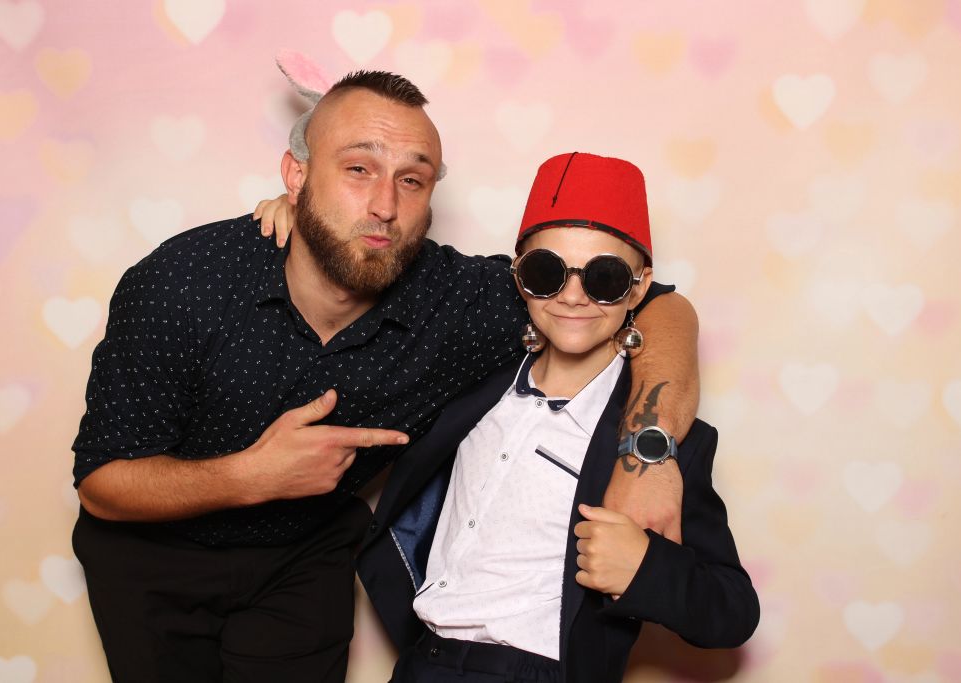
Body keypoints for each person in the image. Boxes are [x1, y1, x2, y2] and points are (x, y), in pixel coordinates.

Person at [71, 71, 698, 683]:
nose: (384, 206)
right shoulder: (184, 282)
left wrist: (650, 454)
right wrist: (251, 476)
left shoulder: (461, 300)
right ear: (296, 175)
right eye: (357, 169)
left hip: (304, 556)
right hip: (153, 556)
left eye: (411, 179)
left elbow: (658, 306)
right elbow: (102, 483)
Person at [354, 153, 759, 683]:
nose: (571, 296)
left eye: (605, 278)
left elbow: (732, 611)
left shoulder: (655, 443)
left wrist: (644, 569)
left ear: (639, 288)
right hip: (420, 664)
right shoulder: (475, 383)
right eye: (546, 271)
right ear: (518, 274)